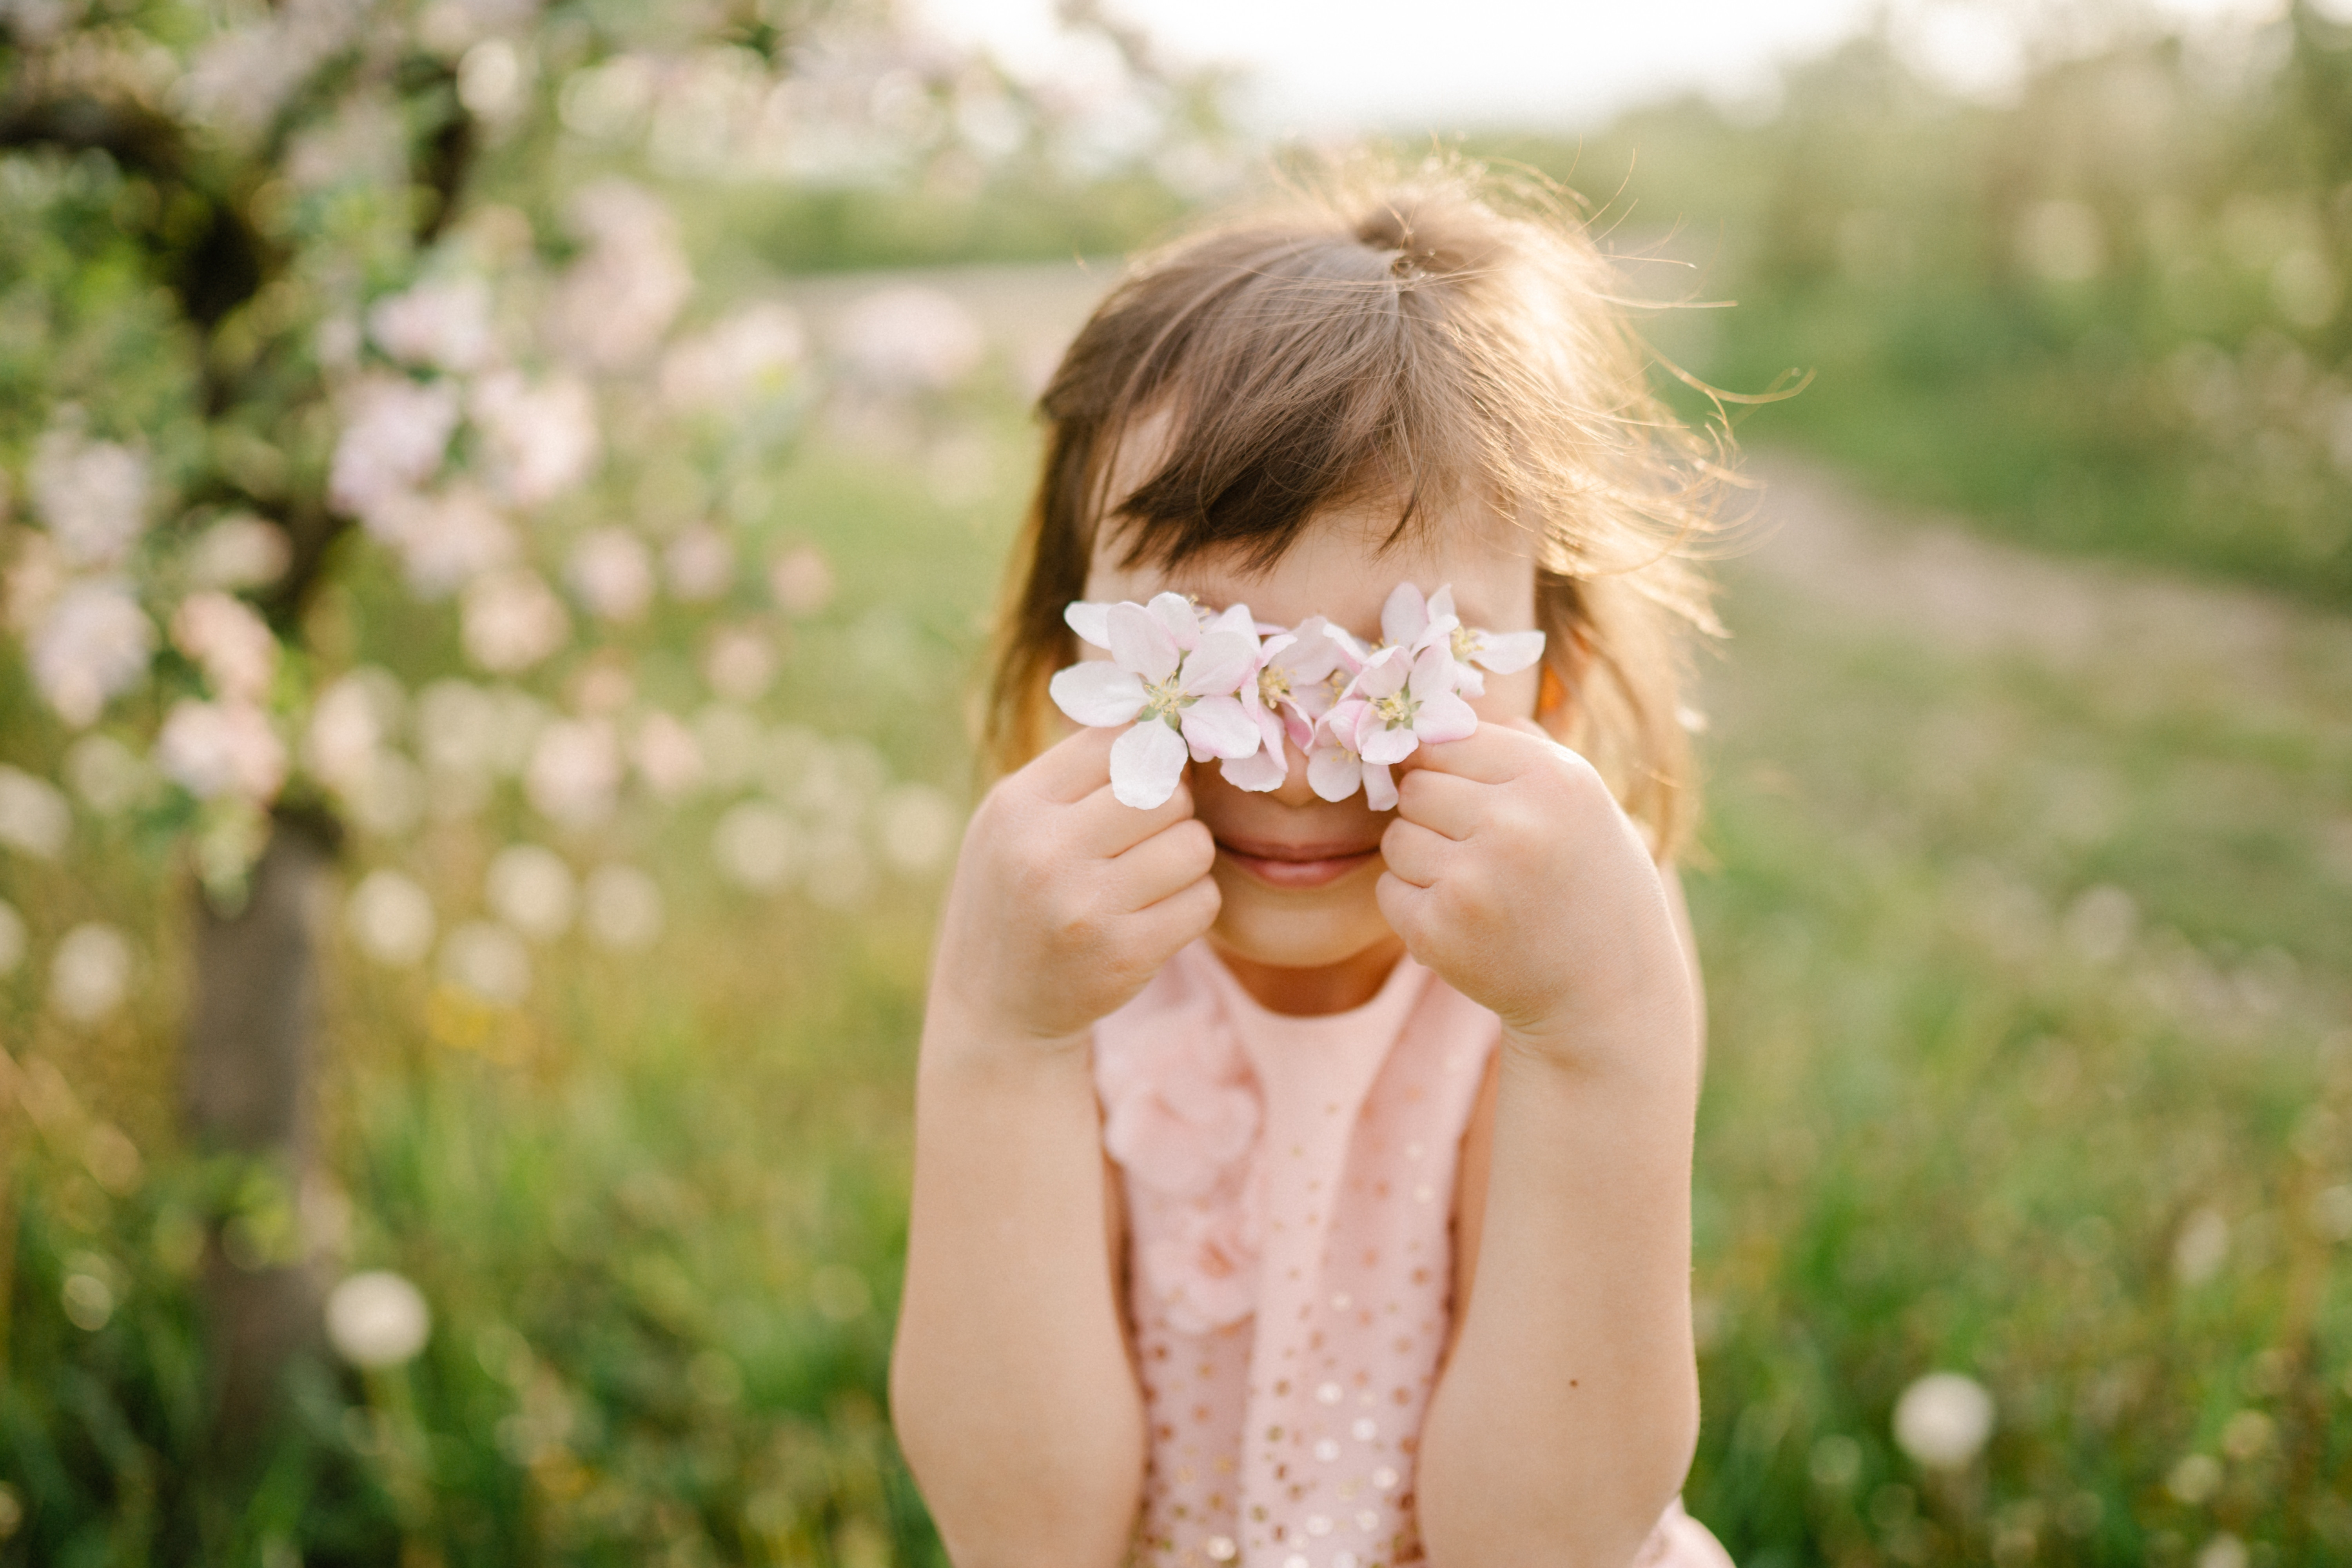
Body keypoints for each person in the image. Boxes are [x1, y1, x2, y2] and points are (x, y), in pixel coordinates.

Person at [891, 154, 1740, 1568]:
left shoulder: (1580, 963)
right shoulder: (1052, 955)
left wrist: (1600, 1040)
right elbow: (1024, 1541)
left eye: (1405, 660)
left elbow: (1540, 1546)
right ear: (1068, 673)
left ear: (1556, 685)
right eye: (1203, 655)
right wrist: (996, 1041)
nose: (1290, 757)